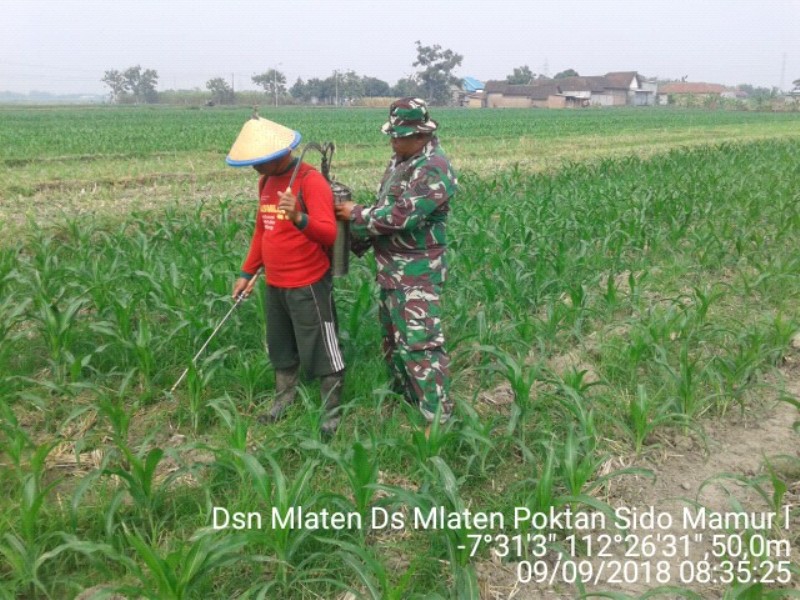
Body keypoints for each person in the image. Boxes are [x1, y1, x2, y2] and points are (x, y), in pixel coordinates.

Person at [334, 97, 457, 426]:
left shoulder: (434, 168)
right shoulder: (400, 162)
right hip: (391, 273)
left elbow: (401, 216)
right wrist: (352, 238)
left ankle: (438, 421)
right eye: (392, 135)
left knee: (420, 347)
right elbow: (384, 207)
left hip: (417, 275)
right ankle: (405, 403)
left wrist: (354, 213)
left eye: (399, 136)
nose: (393, 141)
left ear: (421, 135)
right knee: (393, 343)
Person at [227, 114, 345, 436]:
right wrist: (247, 271)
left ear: (280, 154)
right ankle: (283, 401)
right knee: (280, 345)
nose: (255, 169)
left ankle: (332, 413)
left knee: (322, 346)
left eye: (260, 162)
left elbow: (330, 234)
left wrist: (298, 217)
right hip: (275, 283)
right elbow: (261, 231)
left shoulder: (310, 182)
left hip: (307, 282)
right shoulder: (265, 182)